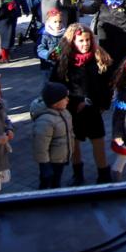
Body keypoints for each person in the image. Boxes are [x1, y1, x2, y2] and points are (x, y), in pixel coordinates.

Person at [49, 23, 113, 186]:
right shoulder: (64, 63)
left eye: (87, 40)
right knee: (74, 143)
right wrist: (72, 102)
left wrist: (99, 103)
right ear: (72, 42)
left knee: (98, 141)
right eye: (81, 41)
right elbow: (56, 86)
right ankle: (78, 173)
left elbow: (107, 86)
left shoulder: (99, 59)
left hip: (92, 110)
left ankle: (104, 174)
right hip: (72, 110)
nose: (85, 44)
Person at [30, 82, 74, 190]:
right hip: (50, 161)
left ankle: (55, 191)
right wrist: (44, 165)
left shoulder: (64, 112)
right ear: (55, 103)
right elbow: (40, 146)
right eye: (64, 98)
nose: (68, 100)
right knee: (46, 182)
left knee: (56, 181)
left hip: (60, 158)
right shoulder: (45, 121)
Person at [36, 8, 67, 74]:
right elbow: (40, 50)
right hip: (48, 66)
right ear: (49, 22)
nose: (58, 24)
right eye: (55, 22)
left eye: (60, 21)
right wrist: (48, 54)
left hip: (62, 65)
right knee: (48, 82)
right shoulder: (45, 35)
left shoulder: (65, 34)